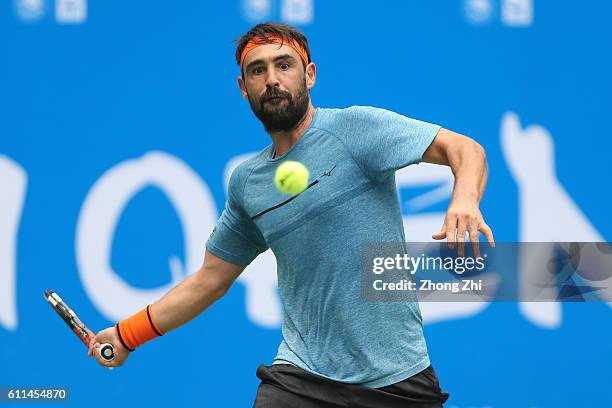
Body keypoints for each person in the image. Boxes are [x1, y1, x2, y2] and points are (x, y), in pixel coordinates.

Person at [89, 22, 495, 407]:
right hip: (302, 378)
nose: (271, 79)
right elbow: (209, 281)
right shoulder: (248, 183)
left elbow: (465, 150)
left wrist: (464, 200)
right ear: (243, 89)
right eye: (257, 70)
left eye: (284, 65)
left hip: (396, 379)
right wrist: (127, 336)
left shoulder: (356, 130)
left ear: (310, 74)